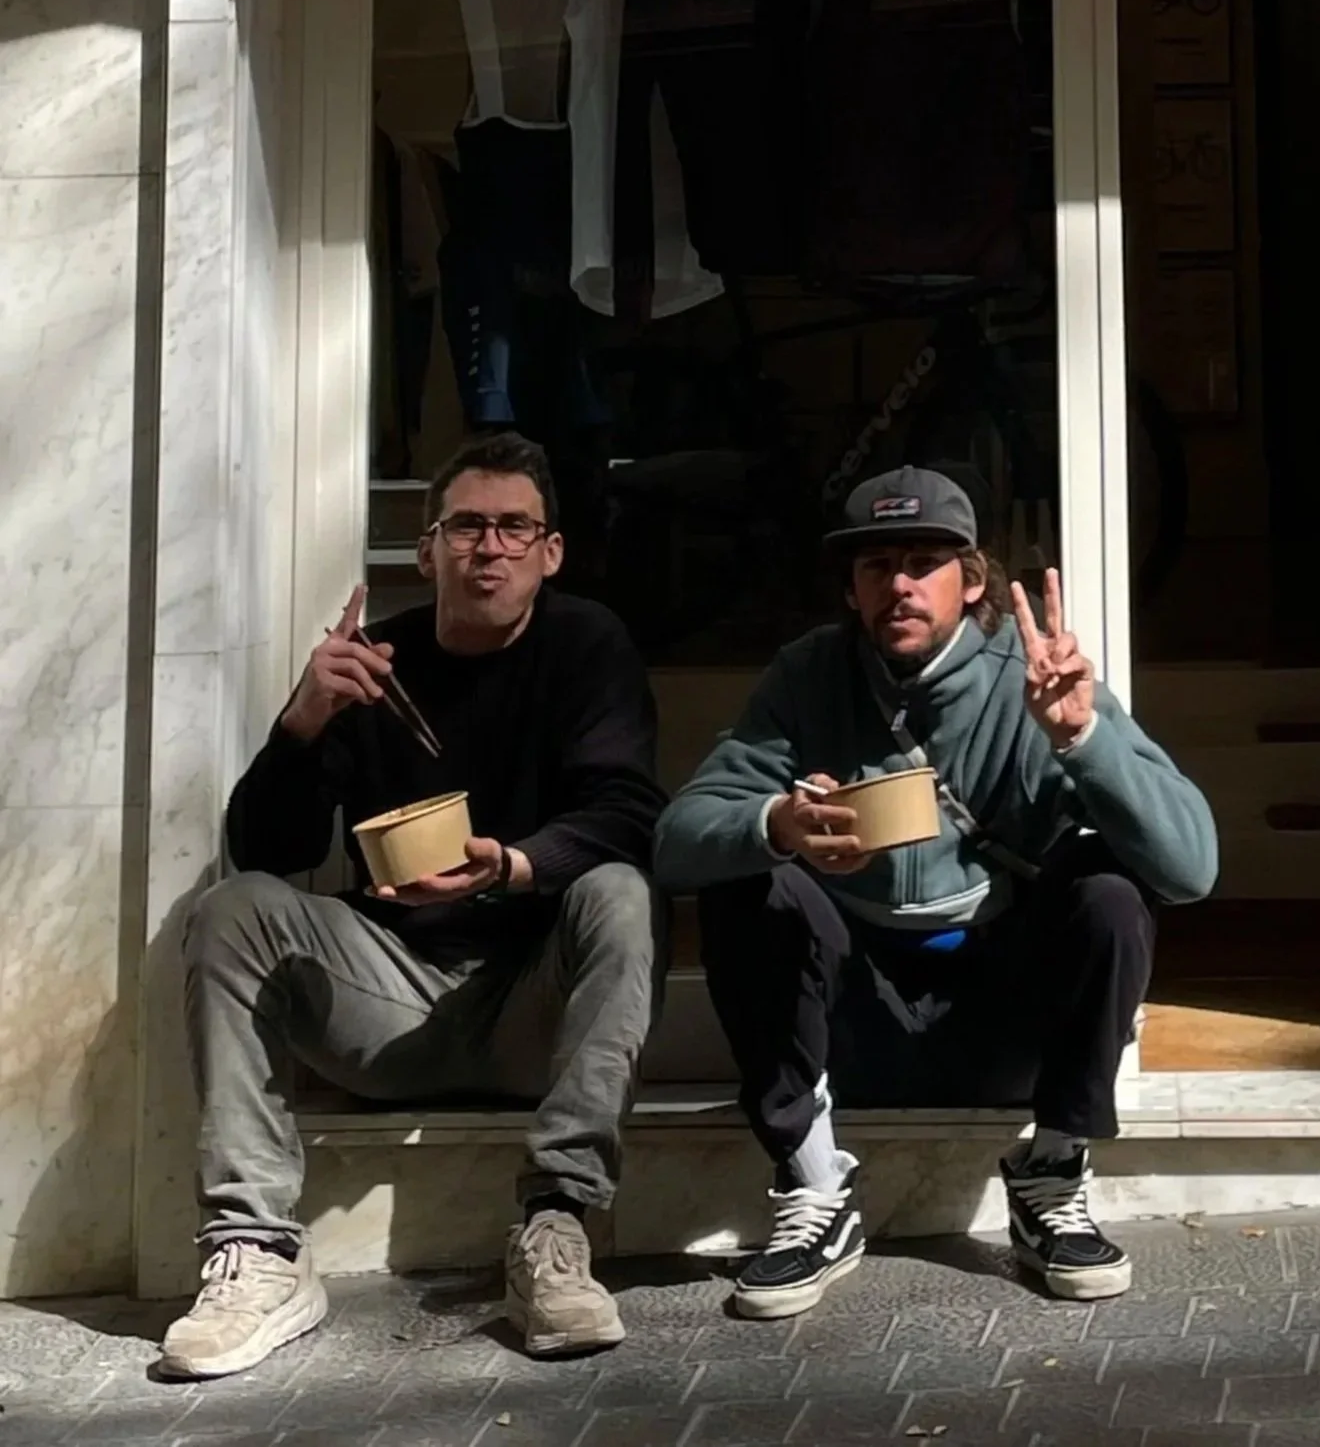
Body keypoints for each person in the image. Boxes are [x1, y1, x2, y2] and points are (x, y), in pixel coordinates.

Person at [653, 465, 1218, 1319]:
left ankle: (1051, 1173)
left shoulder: (1031, 678)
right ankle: (813, 1188)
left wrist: (1083, 738)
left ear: (974, 579)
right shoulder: (809, 675)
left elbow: (1191, 869)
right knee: (748, 878)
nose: (901, 586)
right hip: (854, 1019)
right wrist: (780, 822)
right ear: (851, 586)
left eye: (925, 561)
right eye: (877, 567)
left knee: (1107, 888)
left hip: (1000, 1019)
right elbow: (675, 840)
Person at [160, 433, 667, 1379]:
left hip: (535, 1008)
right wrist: (302, 724)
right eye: (466, 525)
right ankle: (258, 1251)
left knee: (621, 894)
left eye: (515, 527)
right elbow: (270, 848)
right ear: (426, 550)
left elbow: (629, 815)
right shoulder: (373, 668)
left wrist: (513, 866)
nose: (490, 547)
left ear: (549, 551)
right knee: (233, 908)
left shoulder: (587, 644)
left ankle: (557, 1226)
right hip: (389, 1002)